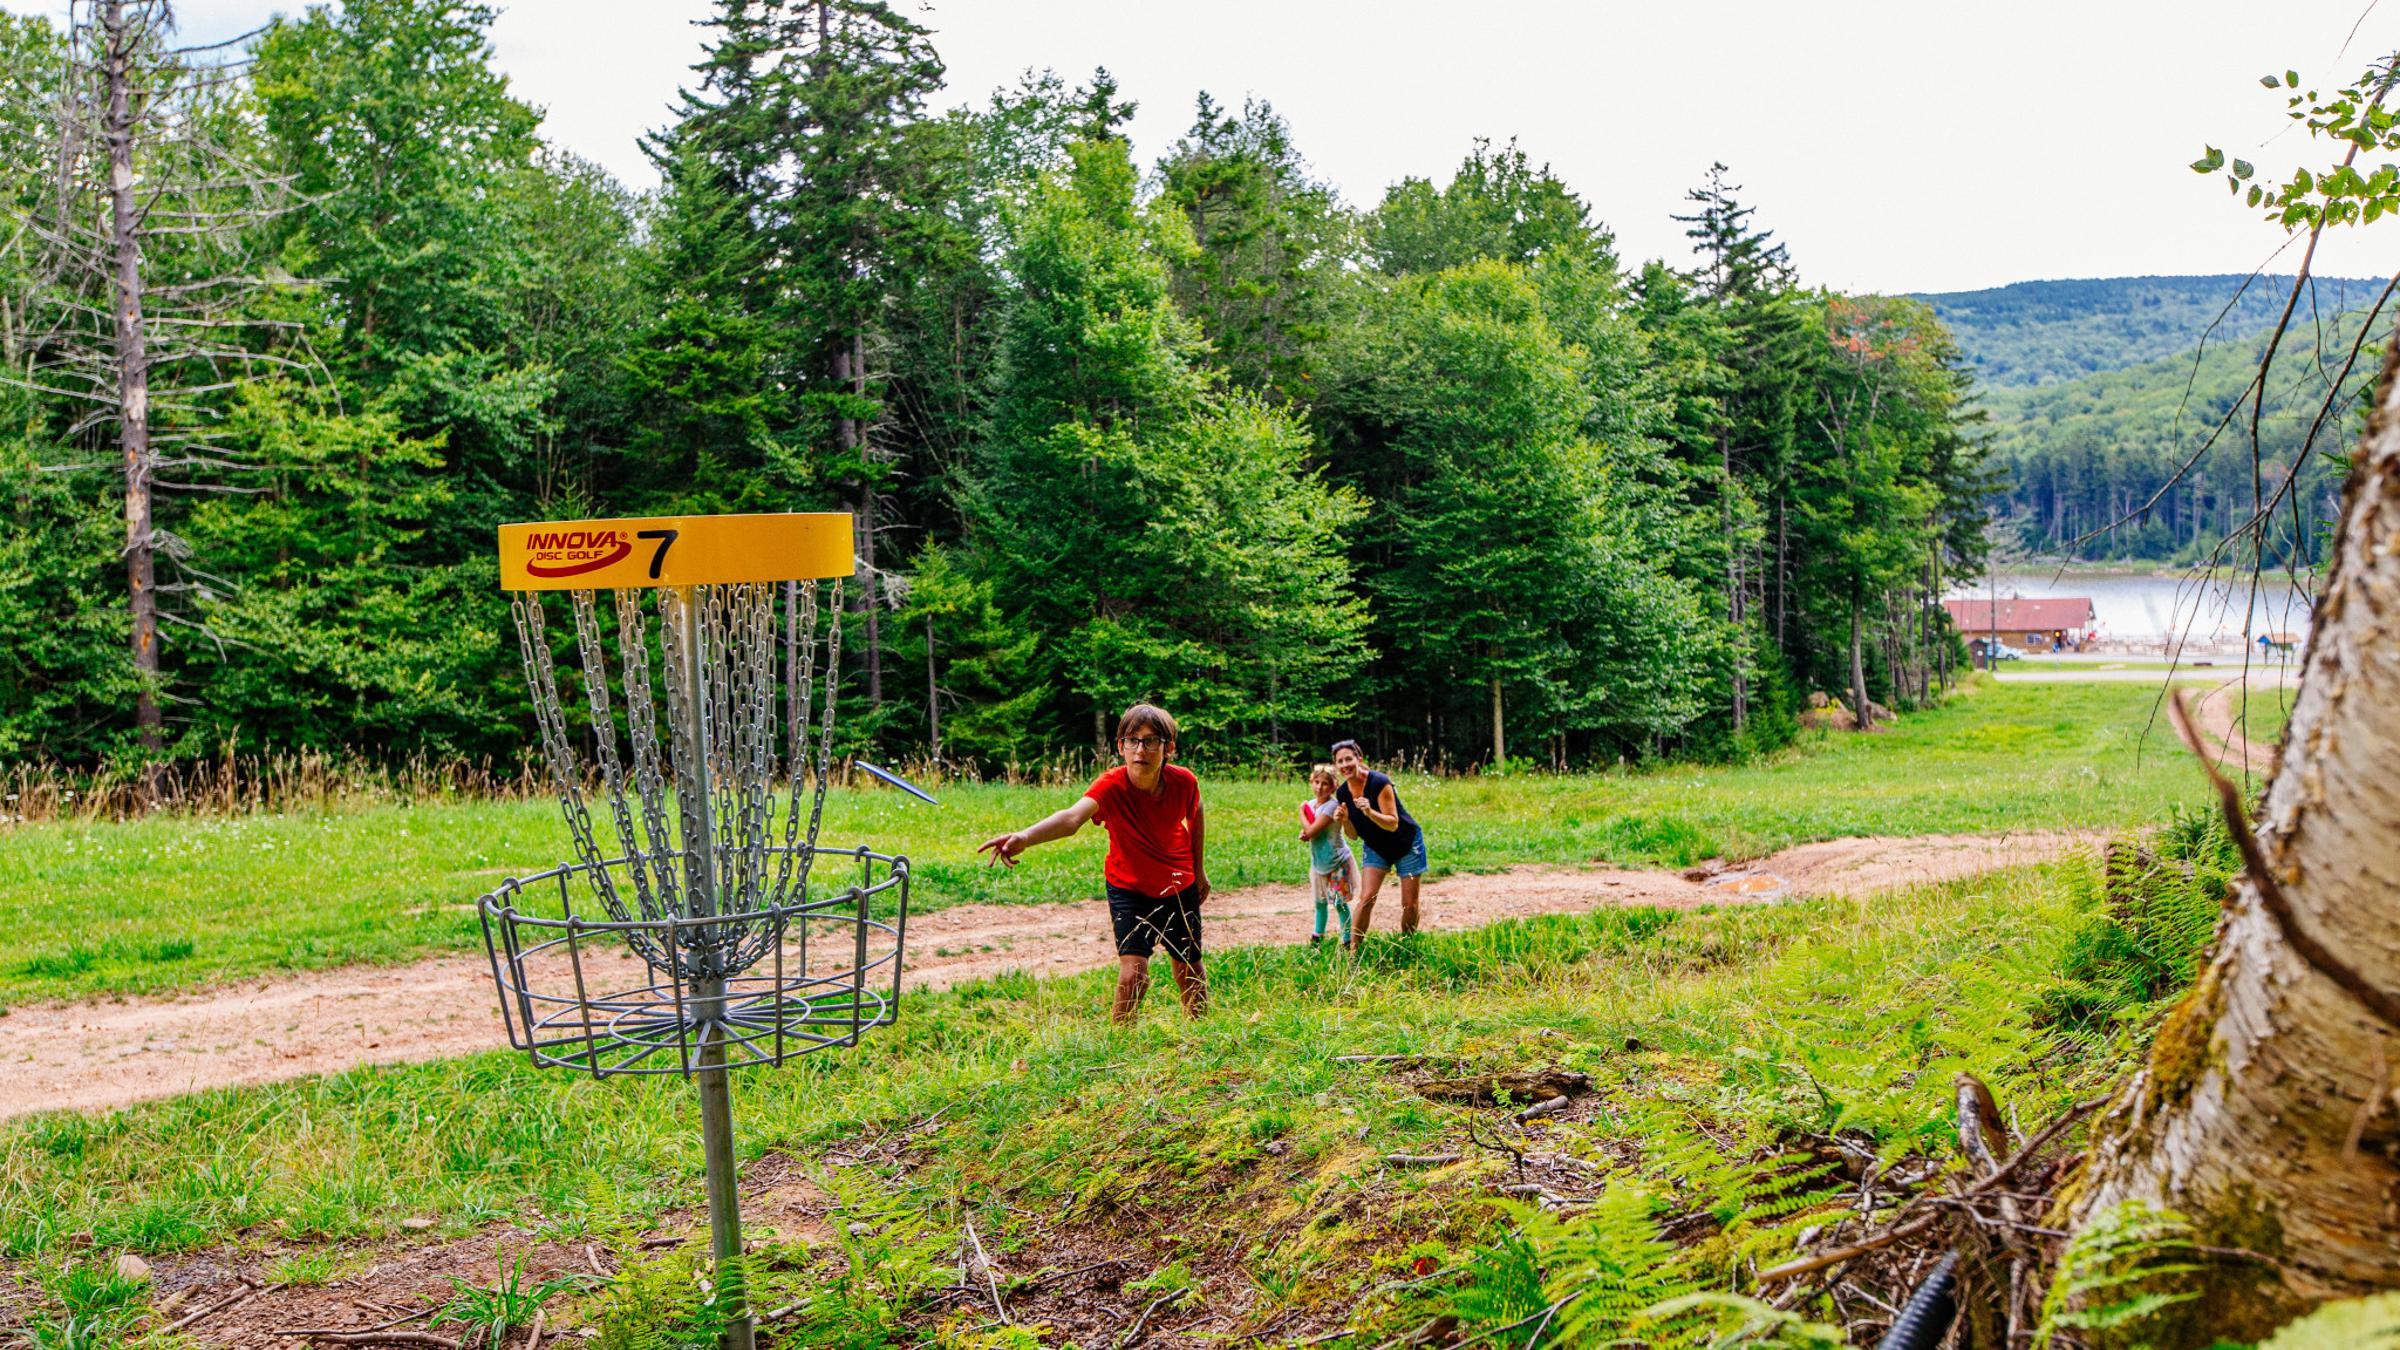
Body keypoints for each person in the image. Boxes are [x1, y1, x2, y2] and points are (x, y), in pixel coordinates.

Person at [977, 703, 1209, 1023]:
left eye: (1151, 740)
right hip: (1129, 888)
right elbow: (1071, 818)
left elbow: (1194, 813)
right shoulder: (1111, 785)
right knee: (1133, 976)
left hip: (1177, 885)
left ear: (1169, 747)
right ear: (1120, 746)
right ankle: (1119, 1043)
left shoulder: (1184, 782)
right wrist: (1025, 837)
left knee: (1189, 968)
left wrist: (1199, 871)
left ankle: (1202, 1034)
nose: (1141, 749)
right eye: (1132, 740)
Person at [1330, 739, 1426, 946]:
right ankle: (1355, 953)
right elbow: (1354, 835)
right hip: (1376, 847)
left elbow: (1393, 824)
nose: (1345, 764)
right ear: (1336, 766)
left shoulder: (1379, 782)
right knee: (1366, 898)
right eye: (1340, 761)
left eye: (1349, 758)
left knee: (1409, 904)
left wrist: (1369, 812)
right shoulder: (1343, 793)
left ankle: (1407, 946)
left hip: (1406, 844)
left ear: (1359, 759)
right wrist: (1345, 820)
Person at [1297, 764, 1357, 947]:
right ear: (1311, 782)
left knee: (1339, 903)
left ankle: (1347, 939)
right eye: (1316, 782)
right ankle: (1318, 936)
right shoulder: (1312, 805)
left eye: (1325, 784)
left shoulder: (1332, 806)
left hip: (1336, 862)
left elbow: (1313, 830)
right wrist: (1304, 833)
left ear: (1333, 786)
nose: (1320, 787)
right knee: (1320, 902)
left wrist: (1301, 813)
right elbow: (1310, 830)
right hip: (1319, 862)